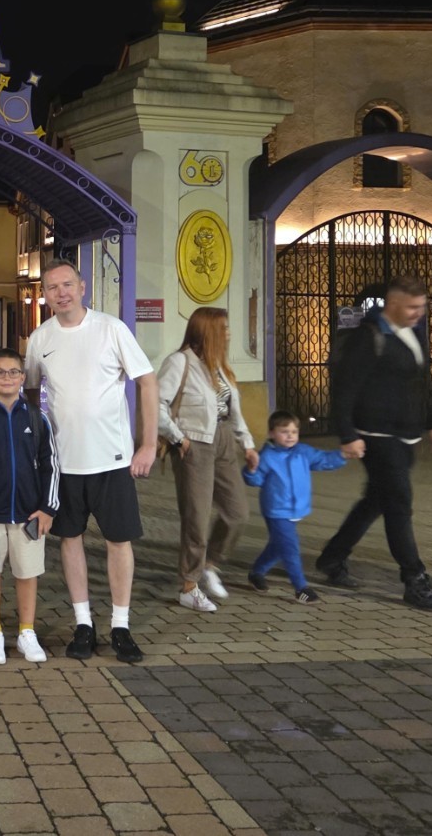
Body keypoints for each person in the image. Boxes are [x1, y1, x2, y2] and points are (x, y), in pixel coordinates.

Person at [25, 259, 157, 664]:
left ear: (82, 287)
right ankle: (83, 623)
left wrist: (148, 444)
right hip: (64, 463)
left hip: (112, 459)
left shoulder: (111, 329)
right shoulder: (40, 338)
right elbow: (30, 392)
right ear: (45, 295)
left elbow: (147, 381)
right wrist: (37, 449)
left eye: (67, 284)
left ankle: (121, 625)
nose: (61, 293)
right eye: (52, 287)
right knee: (70, 539)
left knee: (119, 540)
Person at [316, 276, 432, 611]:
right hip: (376, 435)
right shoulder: (369, 336)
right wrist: (347, 434)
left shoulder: (414, 333)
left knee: (376, 500)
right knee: (399, 503)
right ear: (393, 304)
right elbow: (345, 388)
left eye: (422, 307)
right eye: (413, 307)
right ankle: (414, 579)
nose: (419, 313)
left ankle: (332, 557)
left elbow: (419, 382)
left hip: (406, 435)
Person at [157, 307, 259, 612]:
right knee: (197, 519)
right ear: (207, 331)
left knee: (237, 513)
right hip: (194, 444)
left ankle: (209, 564)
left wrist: (247, 444)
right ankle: (189, 586)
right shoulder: (179, 362)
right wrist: (178, 438)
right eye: (223, 328)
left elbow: (232, 410)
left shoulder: (220, 366)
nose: (228, 333)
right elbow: (156, 404)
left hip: (224, 440)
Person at [0, 347, 58, 666]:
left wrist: (47, 508)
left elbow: (51, 465)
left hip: (28, 514)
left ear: (22, 377)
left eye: (13, 372)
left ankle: (26, 632)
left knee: (27, 573)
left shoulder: (37, 418)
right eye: (0, 372)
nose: (7, 377)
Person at [243, 410, 351, 603]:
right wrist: (251, 470)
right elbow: (255, 480)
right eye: (284, 431)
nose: (290, 436)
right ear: (271, 433)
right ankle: (301, 588)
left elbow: (323, 460)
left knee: (278, 546)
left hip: (296, 509)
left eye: (294, 431)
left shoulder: (303, 452)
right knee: (290, 547)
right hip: (276, 511)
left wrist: (343, 455)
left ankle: (257, 572)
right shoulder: (266, 456)